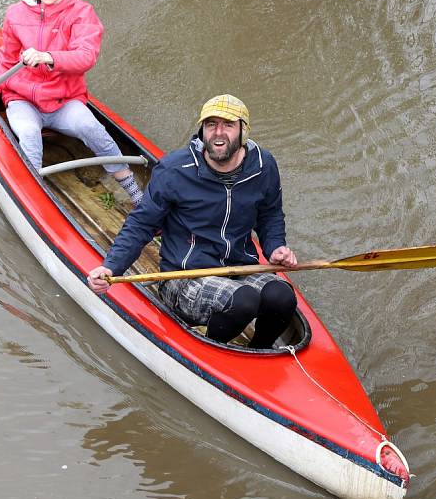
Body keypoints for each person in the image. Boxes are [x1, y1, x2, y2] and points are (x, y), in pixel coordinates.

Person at [87, 94, 299, 349]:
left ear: (244, 131)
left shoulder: (264, 166)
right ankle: (212, 348)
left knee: (282, 297)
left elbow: (270, 214)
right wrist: (111, 267)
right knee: (244, 301)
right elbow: (141, 223)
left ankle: (260, 349)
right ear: (202, 130)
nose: (218, 133)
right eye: (211, 125)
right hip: (185, 275)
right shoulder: (175, 170)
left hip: (240, 268)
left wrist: (276, 246)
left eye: (228, 125)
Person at [0, 0, 143, 206]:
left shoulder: (82, 13)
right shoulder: (16, 14)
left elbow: (86, 57)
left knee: (92, 128)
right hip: (22, 99)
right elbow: (5, 60)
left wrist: (49, 57)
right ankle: (34, 200)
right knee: (29, 134)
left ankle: (133, 189)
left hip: (63, 101)